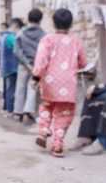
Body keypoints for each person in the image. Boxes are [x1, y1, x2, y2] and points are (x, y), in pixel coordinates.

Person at [32, 8, 87, 158]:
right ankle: (58, 145)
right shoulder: (76, 41)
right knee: (64, 113)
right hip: (68, 84)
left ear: (53, 22)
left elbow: (41, 60)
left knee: (46, 106)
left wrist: (36, 77)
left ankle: (43, 131)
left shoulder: (47, 39)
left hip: (49, 81)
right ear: (71, 24)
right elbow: (83, 63)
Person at [13, 8, 46, 124]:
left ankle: (17, 113)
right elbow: (44, 52)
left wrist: (26, 62)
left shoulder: (21, 33)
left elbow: (16, 50)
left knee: (20, 87)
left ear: (28, 18)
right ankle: (28, 111)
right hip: (36, 65)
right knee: (33, 88)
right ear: (40, 19)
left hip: (23, 64)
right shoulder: (43, 35)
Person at [0, 18, 23, 114]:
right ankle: (10, 110)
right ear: (15, 26)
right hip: (12, 67)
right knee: (11, 89)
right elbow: (19, 49)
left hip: (5, 67)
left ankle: (5, 107)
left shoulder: (4, 36)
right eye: (19, 29)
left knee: (7, 88)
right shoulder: (11, 37)